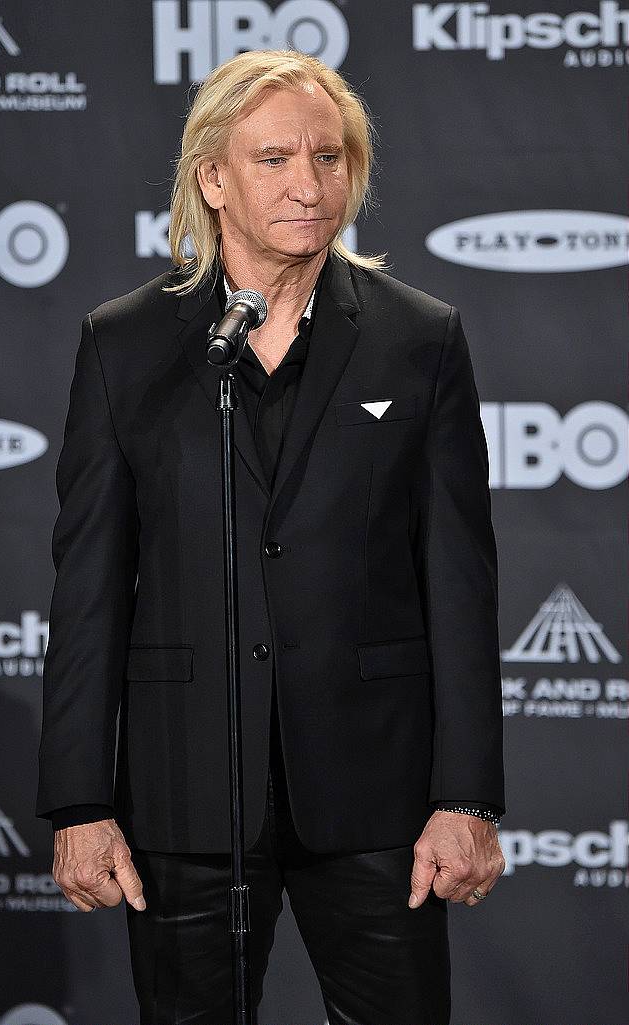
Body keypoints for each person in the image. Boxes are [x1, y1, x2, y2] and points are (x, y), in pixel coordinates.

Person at [36, 49, 506, 1025]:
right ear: (212, 178)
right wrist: (80, 802)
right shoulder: (124, 343)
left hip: (377, 798)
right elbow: (86, 583)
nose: (310, 183)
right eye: (275, 158)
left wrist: (468, 795)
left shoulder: (421, 338)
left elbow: (460, 579)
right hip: (184, 790)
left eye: (330, 158)